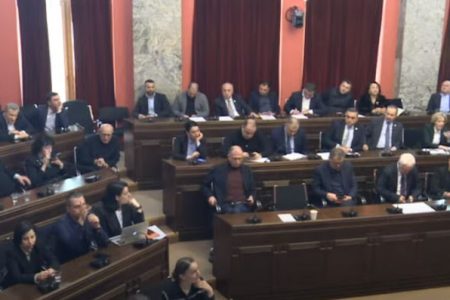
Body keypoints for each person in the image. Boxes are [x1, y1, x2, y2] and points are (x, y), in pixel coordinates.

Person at [53, 192, 109, 263]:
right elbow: (77, 249)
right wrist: (82, 222)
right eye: (77, 206)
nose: (82, 209)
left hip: (93, 256)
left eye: (83, 204)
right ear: (68, 209)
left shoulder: (90, 217)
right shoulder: (61, 225)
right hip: (75, 262)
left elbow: (105, 242)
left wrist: (97, 226)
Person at [202, 146, 255, 214]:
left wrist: (252, 197)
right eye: (234, 159)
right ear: (229, 157)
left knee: (238, 211)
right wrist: (210, 196)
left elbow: (252, 188)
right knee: (233, 212)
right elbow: (205, 186)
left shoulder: (247, 170)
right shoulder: (218, 169)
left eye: (240, 159)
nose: (237, 161)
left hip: (243, 204)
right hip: (224, 204)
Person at [5, 221, 58, 287]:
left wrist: (51, 269)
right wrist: (36, 276)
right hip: (15, 287)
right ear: (18, 239)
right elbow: (17, 277)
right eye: (25, 239)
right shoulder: (11, 252)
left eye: (32, 237)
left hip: (35, 285)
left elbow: (52, 258)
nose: (30, 242)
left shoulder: (38, 244)